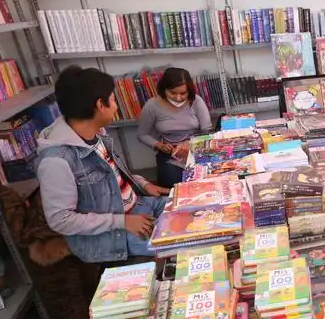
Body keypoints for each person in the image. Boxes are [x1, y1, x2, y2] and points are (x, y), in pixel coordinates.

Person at [37, 65, 171, 264]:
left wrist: (143, 184)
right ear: (100, 104)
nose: (116, 106)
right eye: (113, 99)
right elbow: (60, 220)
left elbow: (112, 177)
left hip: (140, 207)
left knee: (201, 212)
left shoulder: (96, 133)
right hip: (115, 236)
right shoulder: (56, 161)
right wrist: (122, 221)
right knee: (192, 245)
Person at [136, 67, 213, 187]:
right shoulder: (152, 105)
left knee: (204, 180)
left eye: (183, 93)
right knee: (173, 184)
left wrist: (190, 143)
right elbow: (142, 134)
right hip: (169, 152)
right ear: (164, 89)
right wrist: (159, 145)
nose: (178, 98)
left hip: (197, 148)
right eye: (172, 93)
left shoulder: (196, 101)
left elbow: (207, 131)